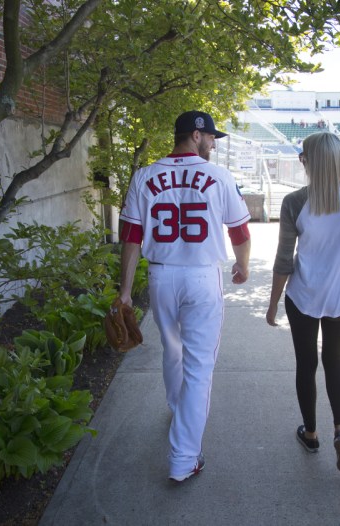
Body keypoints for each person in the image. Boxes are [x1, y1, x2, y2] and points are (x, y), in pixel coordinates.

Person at [118, 110, 252, 482]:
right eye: (210, 137)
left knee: (173, 349)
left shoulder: (144, 175)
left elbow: (130, 236)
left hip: (162, 277)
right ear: (196, 134)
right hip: (201, 277)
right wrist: (243, 266)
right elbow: (240, 232)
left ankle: (178, 409)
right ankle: (183, 459)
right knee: (199, 368)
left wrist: (126, 291)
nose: (213, 143)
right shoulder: (218, 176)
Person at [266, 131, 340, 473]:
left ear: (309, 163)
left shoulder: (295, 202)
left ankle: (311, 434)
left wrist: (272, 306)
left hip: (302, 296)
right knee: (335, 362)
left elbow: (285, 261)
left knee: (306, 364)